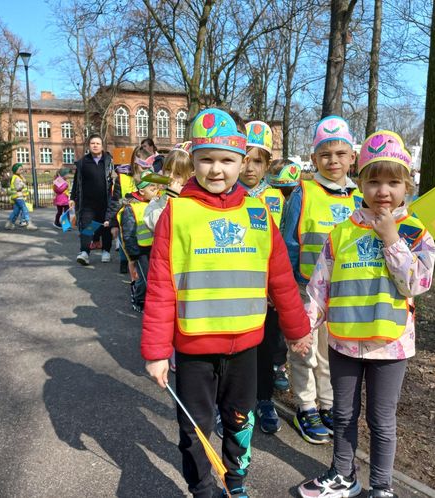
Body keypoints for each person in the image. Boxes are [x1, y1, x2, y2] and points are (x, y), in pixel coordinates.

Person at [142, 108, 312, 498]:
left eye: (226, 160)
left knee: (240, 421)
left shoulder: (258, 213)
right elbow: (161, 287)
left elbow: (281, 278)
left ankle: (235, 481)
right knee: (195, 426)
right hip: (194, 350)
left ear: (241, 162)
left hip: (245, 349)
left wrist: (297, 329)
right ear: (193, 161)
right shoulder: (178, 213)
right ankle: (203, 488)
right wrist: (155, 351)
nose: (216, 169)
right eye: (206, 159)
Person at [297, 131, 435, 498]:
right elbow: (319, 287)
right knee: (342, 415)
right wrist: (303, 328)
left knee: (381, 420)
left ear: (407, 185)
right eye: (374, 181)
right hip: (343, 341)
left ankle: (381, 486)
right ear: (361, 183)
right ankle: (343, 475)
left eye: (393, 182)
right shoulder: (341, 232)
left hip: (390, 347)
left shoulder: (415, 231)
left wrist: (392, 240)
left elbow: (417, 283)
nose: (383, 191)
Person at [282, 115, 361, 444]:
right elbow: (288, 241)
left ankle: (327, 403)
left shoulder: (360, 197)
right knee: (303, 349)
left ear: (352, 157)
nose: (333, 161)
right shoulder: (303, 192)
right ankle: (306, 406)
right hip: (305, 288)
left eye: (341, 154)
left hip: (342, 291)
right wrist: (283, 288)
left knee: (332, 350)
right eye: (325, 155)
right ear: (313, 159)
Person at [237, 120, 288, 434]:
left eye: (257, 161)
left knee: (267, 342)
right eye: (244, 159)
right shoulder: (227, 195)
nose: (249, 168)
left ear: (268, 164)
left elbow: (281, 243)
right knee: (237, 347)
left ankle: (265, 398)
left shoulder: (277, 199)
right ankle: (234, 404)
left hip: (266, 287)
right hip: (235, 286)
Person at [265, 158, 303, 392]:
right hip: (267, 265)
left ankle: (278, 364)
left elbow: (291, 240)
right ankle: (270, 364)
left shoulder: (296, 200)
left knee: (279, 324)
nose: (284, 194)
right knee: (270, 323)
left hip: (284, 268)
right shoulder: (266, 196)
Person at [70, 134, 115, 265]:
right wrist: (73, 198)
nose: (95, 145)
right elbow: (76, 182)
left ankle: (106, 251)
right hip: (87, 203)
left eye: (98, 143)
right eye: (92, 143)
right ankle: (84, 252)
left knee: (105, 227)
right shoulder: (83, 162)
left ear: (102, 146)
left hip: (105, 201)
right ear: (89, 146)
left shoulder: (108, 161)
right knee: (87, 227)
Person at [119, 171, 159, 312]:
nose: (156, 191)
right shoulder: (131, 208)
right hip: (141, 250)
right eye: (152, 189)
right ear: (142, 190)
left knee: (154, 278)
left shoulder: (155, 203)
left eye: (156, 188)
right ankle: (138, 299)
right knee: (145, 278)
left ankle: (148, 298)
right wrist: (133, 255)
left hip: (155, 247)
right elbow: (128, 234)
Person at [143, 141, 194, 233]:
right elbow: (154, 225)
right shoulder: (159, 196)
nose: (170, 176)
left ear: (190, 176)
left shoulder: (193, 198)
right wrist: (168, 197)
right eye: (168, 170)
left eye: (178, 174)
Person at [5, 163, 38, 230]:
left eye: (22, 169)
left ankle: (9, 223)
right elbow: (18, 187)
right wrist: (23, 184)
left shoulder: (18, 176)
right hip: (18, 196)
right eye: (20, 169)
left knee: (16, 211)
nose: (22, 170)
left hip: (18, 196)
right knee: (24, 209)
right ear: (15, 170)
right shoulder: (16, 178)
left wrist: (23, 180)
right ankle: (29, 223)